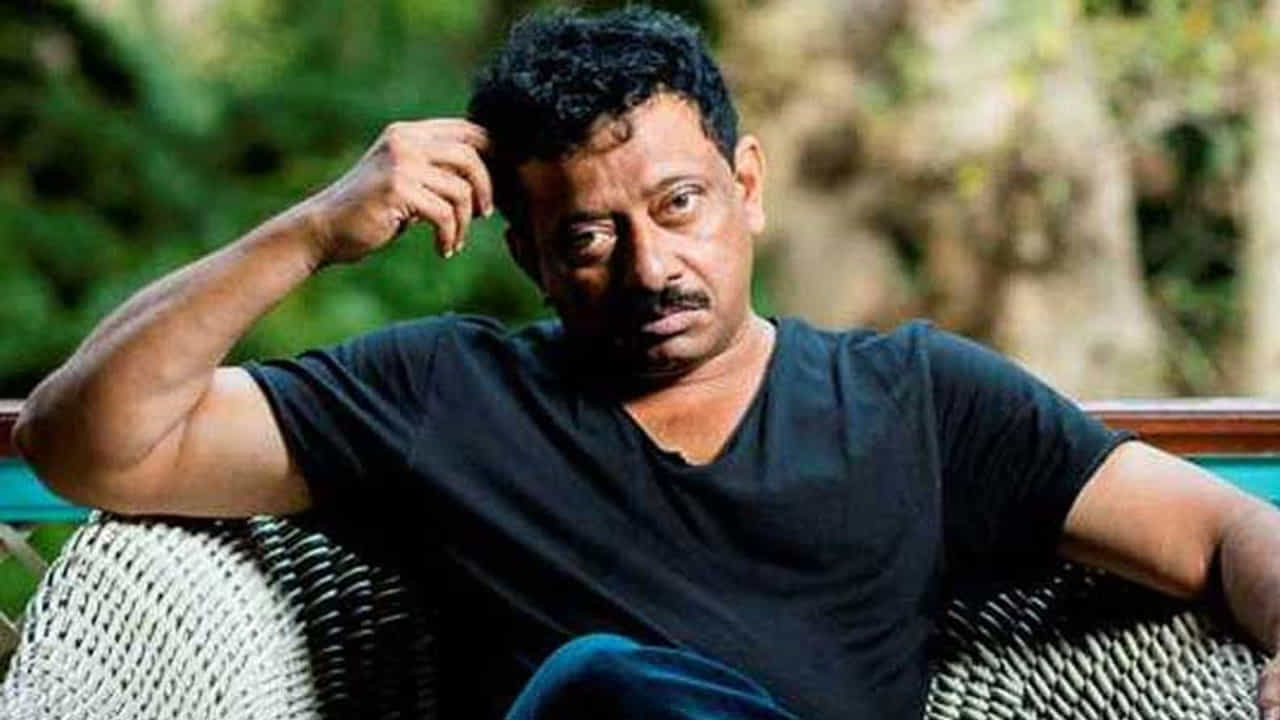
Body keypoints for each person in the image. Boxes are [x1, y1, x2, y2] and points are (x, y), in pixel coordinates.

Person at [11, 6, 1280, 719]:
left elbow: (1227, 531)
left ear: (747, 188)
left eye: (679, 206)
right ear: (527, 255)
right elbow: (88, 446)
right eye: (588, 237)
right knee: (598, 687)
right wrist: (305, 234)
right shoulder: (442, 396)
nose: (649, 265)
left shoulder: (916, 398)